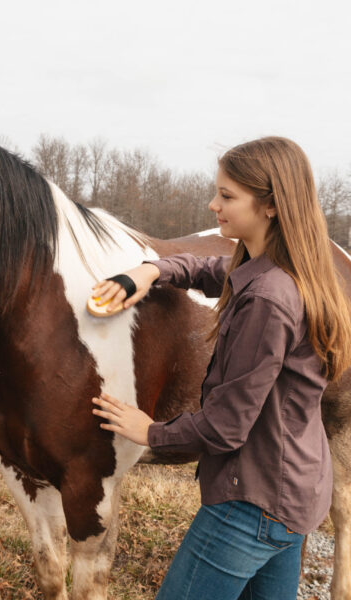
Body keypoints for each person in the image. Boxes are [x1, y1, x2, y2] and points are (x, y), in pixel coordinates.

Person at [91, 136, 351, 600]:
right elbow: (214, 269)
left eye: (227, 196)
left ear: (271, 204)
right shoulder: (289, 270)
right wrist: (153, 270)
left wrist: (148, 431)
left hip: (250, 505)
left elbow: (225, 428)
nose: (213, 204)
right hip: (295, 496)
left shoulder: (268, 300)